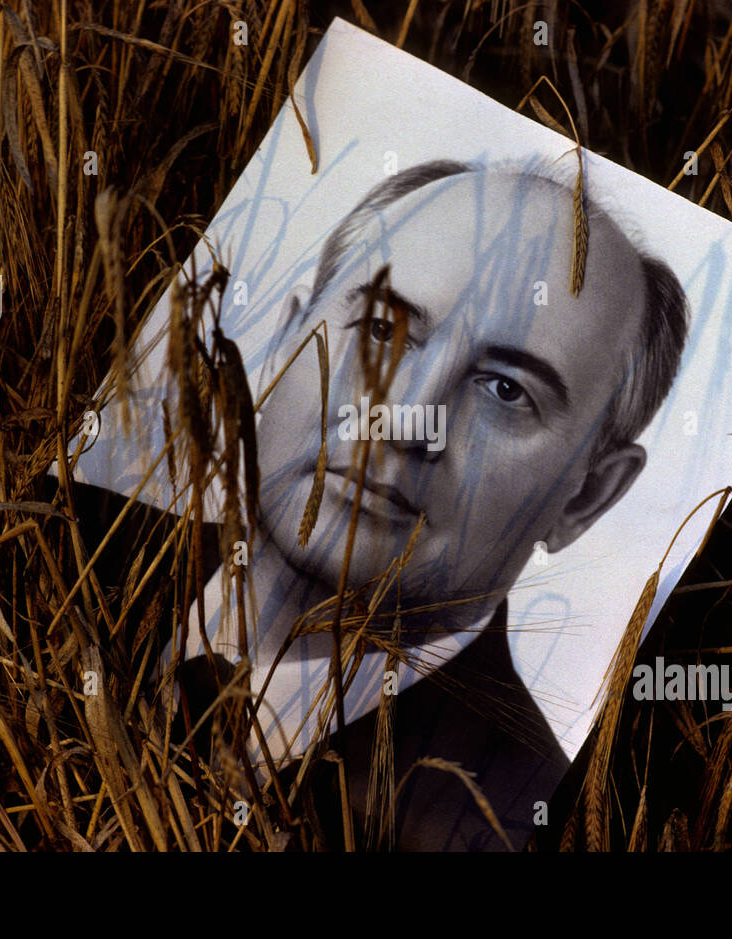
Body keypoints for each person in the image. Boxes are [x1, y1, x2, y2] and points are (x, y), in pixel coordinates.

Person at [83, 156, 689, 850]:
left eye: (504, 390)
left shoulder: (525, 821)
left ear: (587, 496)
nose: (403, 418)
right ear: (285, 339)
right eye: (380, 329)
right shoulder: (58, 533)